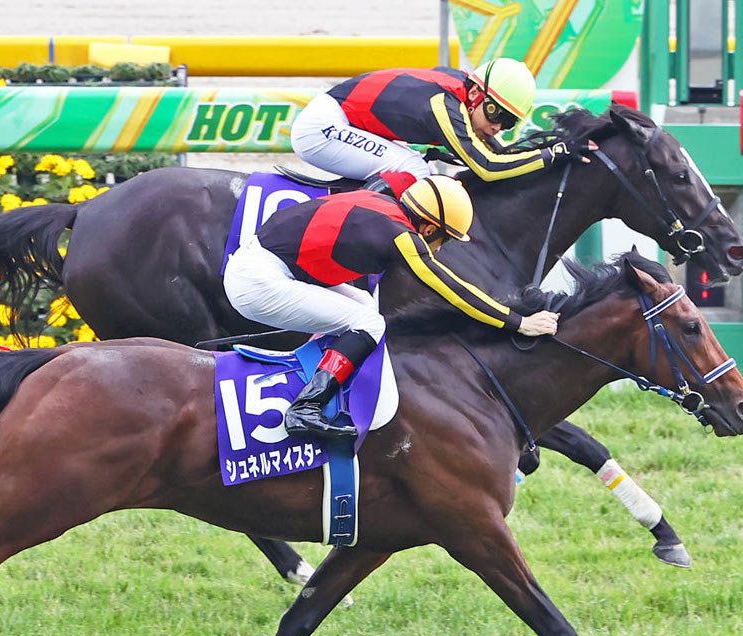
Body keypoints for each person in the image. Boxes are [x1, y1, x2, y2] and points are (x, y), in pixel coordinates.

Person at [223, 175, 560, 441]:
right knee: (368, 324)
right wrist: (516, 322)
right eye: (444, 239)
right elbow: (452, 289)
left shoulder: (384, 205)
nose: (440, 249)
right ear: (429, 228)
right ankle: (306, 407)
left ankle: (318, 385)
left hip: (262, 266)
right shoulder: (401, 235)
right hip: (259, 281)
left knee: (365, 306)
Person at [289, 58, 586, 193]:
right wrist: (553, 153)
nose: (497, 128)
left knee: (420, 167)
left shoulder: (463, 95)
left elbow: (498, 153)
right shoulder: (444, 105)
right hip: (322, 127)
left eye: (508, 123)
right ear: (474, 95)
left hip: (341, 120)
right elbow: (488, 166)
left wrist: (548, 151)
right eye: (496, 115)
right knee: (415, 170)